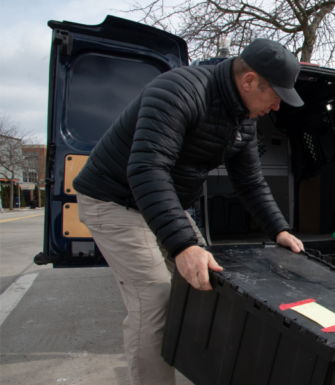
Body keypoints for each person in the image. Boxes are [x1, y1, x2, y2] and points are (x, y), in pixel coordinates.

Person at [73, 39, 305, 385]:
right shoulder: (179, 91)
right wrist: (183, 245)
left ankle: (203, 369)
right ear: (249, 81)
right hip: (114, 199)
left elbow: (250, 182)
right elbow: (147, 168)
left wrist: (279, 230)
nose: (276, 107)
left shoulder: (243, 119)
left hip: (161, 201)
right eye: (275, 96)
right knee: (155, 299)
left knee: (208, 281)